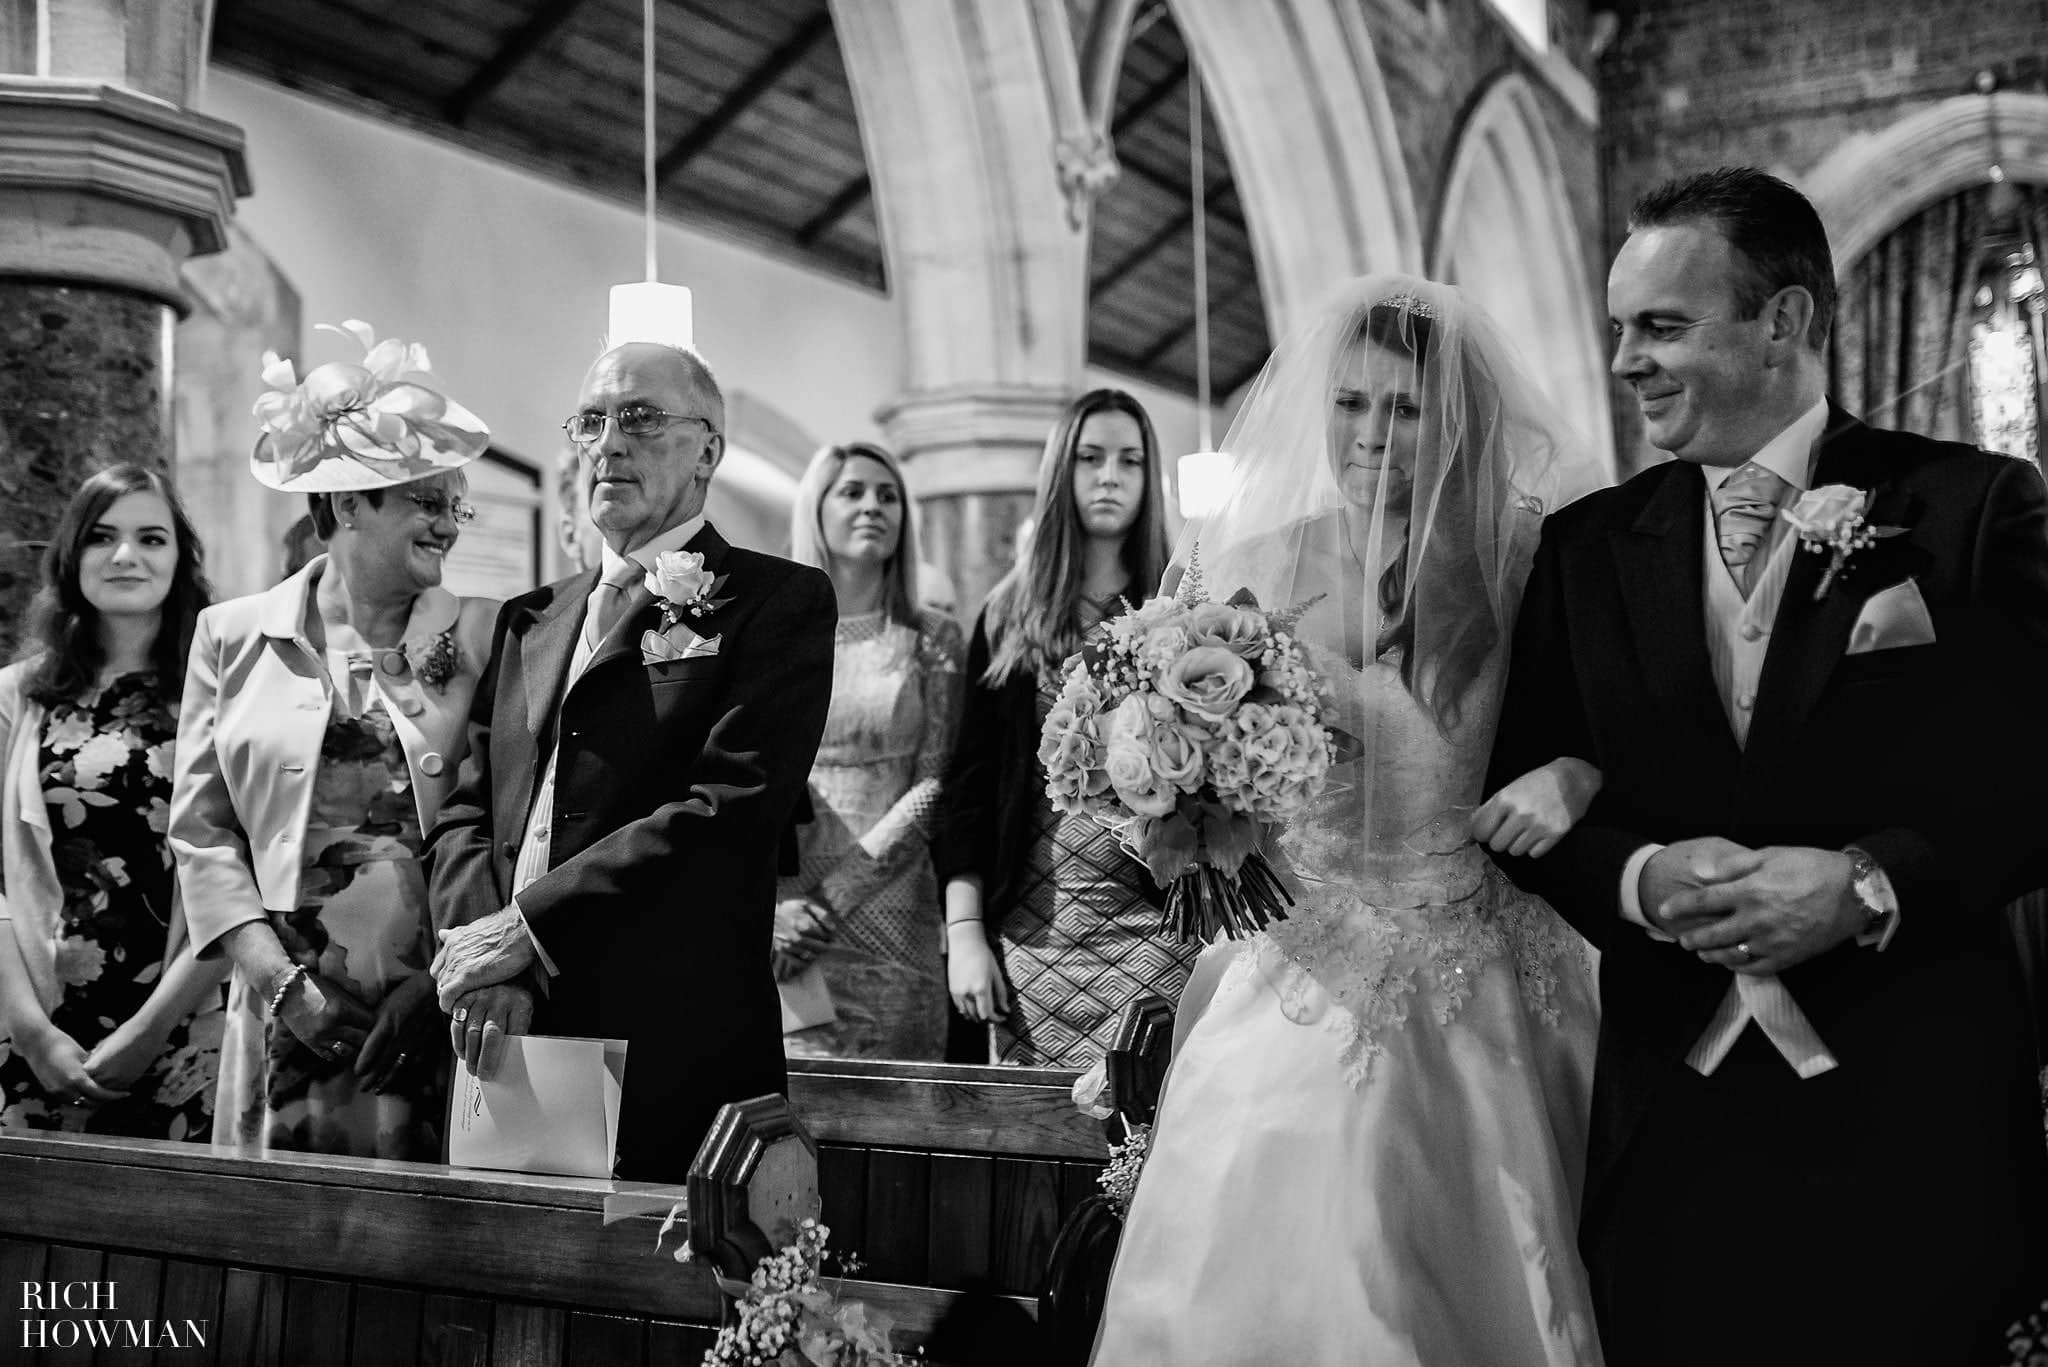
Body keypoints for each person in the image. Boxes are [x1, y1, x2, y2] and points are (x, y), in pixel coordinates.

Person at [1488, 167, 2048, 1364]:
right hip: (1667, 1124)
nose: (1625, 358)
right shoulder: (1583, 548)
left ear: (1782, 321)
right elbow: (1529, 779)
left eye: (1661, 326)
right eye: (1617, 328)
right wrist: (1635, 874)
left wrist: (1864, 879)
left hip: (1913, 1111)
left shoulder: (1968, 505)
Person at [1091, 277, 1607, 1365]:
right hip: (1296, 958)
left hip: (1468, 951)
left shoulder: (1517, 558)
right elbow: (1181, 766)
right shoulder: (1254, 558)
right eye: (1351, 403)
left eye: (1406, 408)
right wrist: (1182, 811)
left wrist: (1576, 771)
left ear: (1454, 417)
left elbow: (1600, 720)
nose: (1371, 433)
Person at [426, 341, 834, 1181]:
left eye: (642, 418)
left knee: (653, 1295)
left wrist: (530, 929)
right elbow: (470, 809)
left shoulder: (777, 601)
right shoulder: (529, 618)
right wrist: (484, 961)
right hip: (504, 1031)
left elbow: (726, 810)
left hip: (669, 1036)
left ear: (709, 449)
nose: (610, 442)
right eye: (592, 421)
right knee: (499, 1288)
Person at [170, 323, 497, 1159]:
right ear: (346, 503)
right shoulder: (231, 635)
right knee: (274, 1256)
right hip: (286, 1003)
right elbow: (202, 833)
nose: (449, 526)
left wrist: (439, 985)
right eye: (426, 502)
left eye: (454, 503)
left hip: (433, 1012)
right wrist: (281, 983)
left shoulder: (490, 638)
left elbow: (505, 828)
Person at [934, 389, 1183, 1068]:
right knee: (1032, 1157)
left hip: (1157, 923)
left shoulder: (1182, 602)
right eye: (1090, 458)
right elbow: (968, 787)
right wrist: (965, 932)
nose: (1109, 476)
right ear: (1060, 472)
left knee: (1148, 1140)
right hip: (1030, 934)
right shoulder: (1008, 611)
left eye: (1129, 461)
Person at [0, 465, 225, 1138]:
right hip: (33, 1032)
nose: (125, 555)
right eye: (102, 536)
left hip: (183, 1033)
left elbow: (235, 880)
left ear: (181, 559)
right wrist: (30, 1030)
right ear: (71, 555)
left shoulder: (224, 698)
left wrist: (150, 1031)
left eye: (151, 538)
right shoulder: (15, 698)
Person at [775, 441, 963, 1060]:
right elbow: (751, 777)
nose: (872, 506)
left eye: (888, 495)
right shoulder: (776, 635)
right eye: (851, 492)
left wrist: (838, 895)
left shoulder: (933, 636)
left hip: (895, 909)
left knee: (903, 1120)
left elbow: (935, 783)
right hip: (789, 922)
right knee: (794, 1114)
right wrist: (777, 908)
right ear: (816, 508)